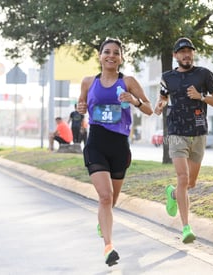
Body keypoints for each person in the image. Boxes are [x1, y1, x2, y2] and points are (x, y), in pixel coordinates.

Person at [76, 38, 152, 267]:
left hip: (120, 147)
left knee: (112, 200)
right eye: (106, 52)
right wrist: (79, 108)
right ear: (100, 56)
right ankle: (108, 246)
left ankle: (104, 222)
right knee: (105, 196)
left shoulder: (128, 81)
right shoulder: (88, 82)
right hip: (96, 144)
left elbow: (149, 108)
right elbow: (81, 105)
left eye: (115, 53)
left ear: (121, 58)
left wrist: (134, 100)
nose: (111, 56)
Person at [154, 37, 213, 244]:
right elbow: (164, 97)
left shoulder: (204, 74)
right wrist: (159, 106)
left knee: (190, 183)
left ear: (193, 54)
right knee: (183, 178)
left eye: (189, 51)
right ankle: (186, 228)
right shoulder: (167, 77)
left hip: (199, 132)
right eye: (181, 51)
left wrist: (200, 97)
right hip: (176, 133)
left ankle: (173, 194)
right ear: (175, 56)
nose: (186, 54)